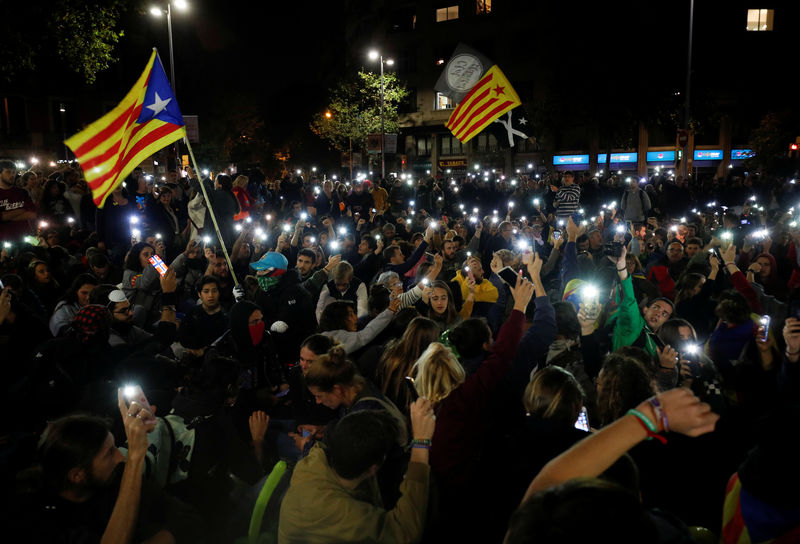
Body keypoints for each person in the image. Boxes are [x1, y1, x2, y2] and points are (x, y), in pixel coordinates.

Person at [508, 388, 718, 544]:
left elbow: (549, 479)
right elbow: (551, 480)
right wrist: (650, 416)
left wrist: (650, 416)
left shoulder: (530, 533)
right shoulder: (667, 534)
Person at [13, 393, 203, 543]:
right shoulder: (36, 518)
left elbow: (188, 518)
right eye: (109, 453)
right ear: (77, 475)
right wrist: (136, 458)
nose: (120, 456)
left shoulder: (115, 475)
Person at [278, 401, 435, 543]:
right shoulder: (341, 514)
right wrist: (421, 443)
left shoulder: (316, 458)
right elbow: (404, 532)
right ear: (372, 469)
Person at [318, 298, 399, 355]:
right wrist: (390, 311)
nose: (356, 317)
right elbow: (366, 334)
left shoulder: (322, 337)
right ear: (339, 318)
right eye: (350, 314)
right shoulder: (337, 337)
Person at [177, 275, 229, 354]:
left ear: (219, 292)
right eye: (206, 291)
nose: (211, 295)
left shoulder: (226, 315)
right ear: (199, 294)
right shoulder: (192, 314)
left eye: (214, 291)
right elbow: (183, 338)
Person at [0, 160, 37, 242]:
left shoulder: (22, 192)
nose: (12, 175)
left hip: (26, 238)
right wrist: (22, 210)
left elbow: (33, 214)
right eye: (8, 172)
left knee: (40, 248)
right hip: (3, 240)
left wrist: (6, 217)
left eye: (14, 172)